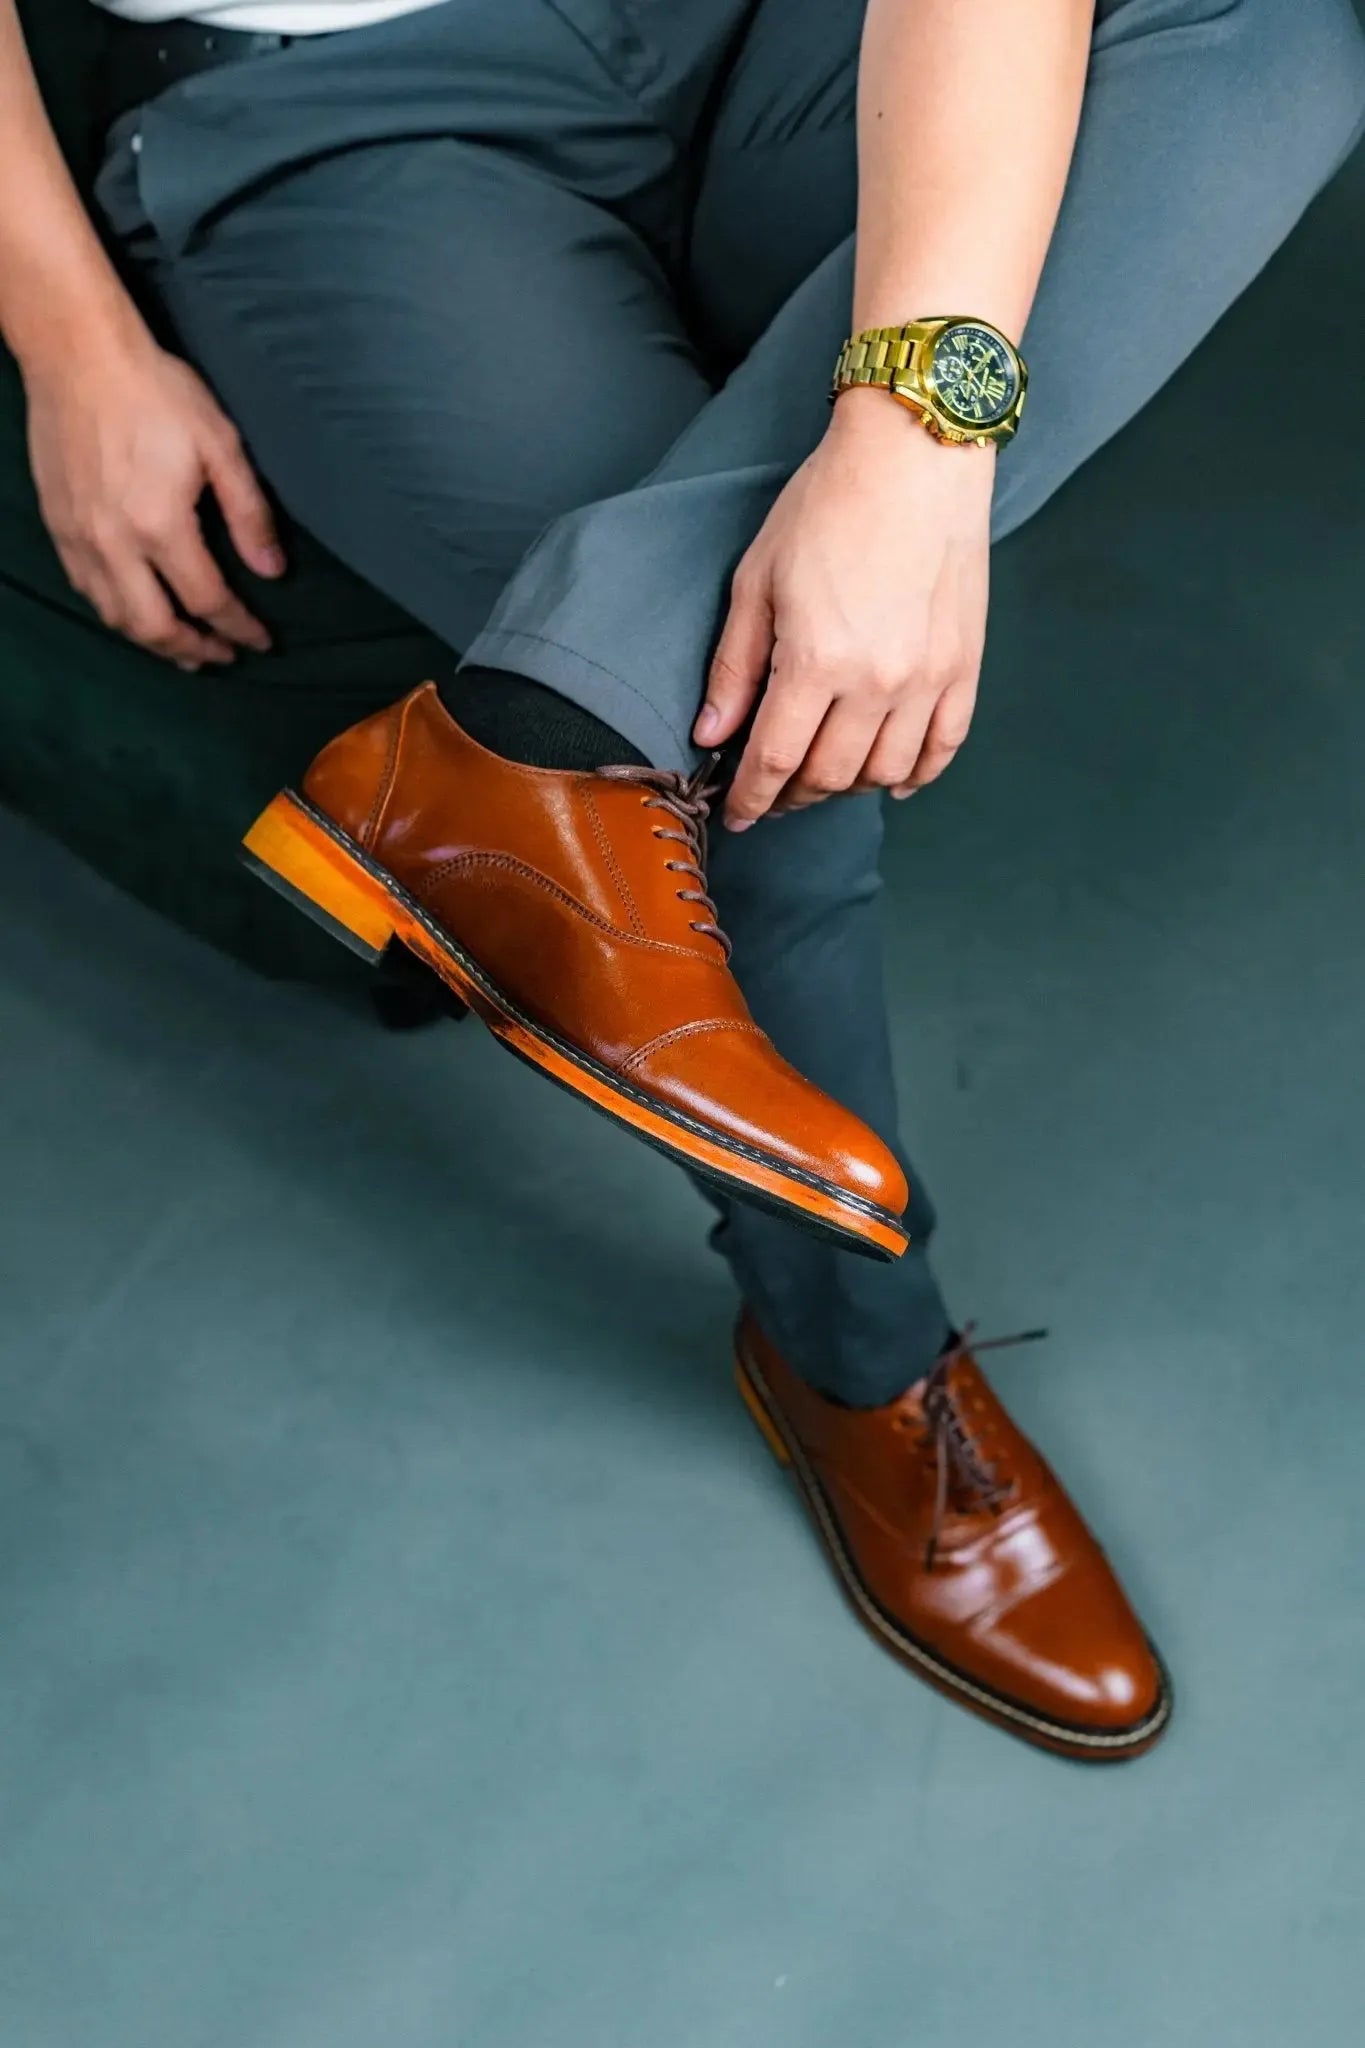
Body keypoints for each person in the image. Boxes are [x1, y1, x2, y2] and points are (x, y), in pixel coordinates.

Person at [2, 0, 1362, 1760]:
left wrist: (910, 449)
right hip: (340, 114)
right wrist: (74, 345)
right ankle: (853, 1355)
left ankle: (548, 727)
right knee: (770, 747)